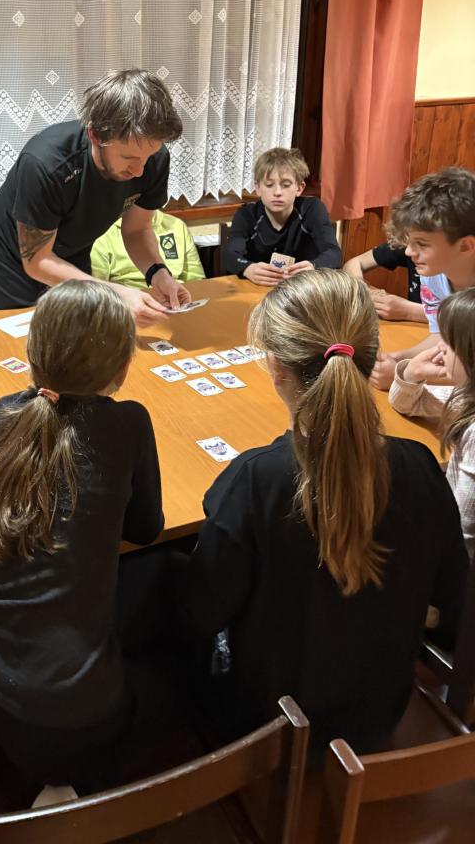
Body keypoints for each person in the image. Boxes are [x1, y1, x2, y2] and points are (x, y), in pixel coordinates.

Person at [177, 269, 467, 758]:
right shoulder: (419, 465)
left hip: (272, 728)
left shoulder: (257, 478)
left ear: (277, 370)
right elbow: (451, 592)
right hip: (379, 715)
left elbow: (200, 613)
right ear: (371, 355)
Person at [0, 281, 195, 792]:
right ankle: (76, 790)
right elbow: (145, 529)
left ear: (31, 355)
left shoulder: (5, 412)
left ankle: (45, 785)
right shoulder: (128, 421)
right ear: (123, 368)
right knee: (176, 667)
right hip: (83, 716)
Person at [0, 70, 191, 326]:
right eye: (129, 158)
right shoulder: (47, 163)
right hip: (15, 258)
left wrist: (158, 273)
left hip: (73, 251)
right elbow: (38, 261)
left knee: (80, 332)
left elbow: (136, 230)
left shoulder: (154, 160)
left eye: (149, 156)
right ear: (95, 135)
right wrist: (116, 294)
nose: (139, 170)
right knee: (17, 339)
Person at [389, 288, 475, 560]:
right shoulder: (465, 395)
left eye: (449, 342)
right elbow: (407, 403)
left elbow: (464, 531)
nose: (439, 348)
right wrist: (412, 373)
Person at [371, 167, 475, 389]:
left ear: (466, 246)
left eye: (422, 244)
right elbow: (443, 339)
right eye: (409, 241)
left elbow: (468, 372)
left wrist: (406, 374)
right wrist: (399, 358)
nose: (409, 252)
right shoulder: (434, 272)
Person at [222, 147, 341, 286]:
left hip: (302, 289)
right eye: (269, 185)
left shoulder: (311, 209)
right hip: (257, 289)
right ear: (258, 188)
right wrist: (248, 268)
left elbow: (334, 253)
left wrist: (313, 266)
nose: (277, 192)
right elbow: (229, 254)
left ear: (299, 188)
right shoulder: (247, 214)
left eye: (285, 185)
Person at [90, 209, 205, 288]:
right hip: (127, 305)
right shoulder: (104, 232)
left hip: (175, 301)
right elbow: (96, 289)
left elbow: (197, 280)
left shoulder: (177, 225)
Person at [343, 241, 425, 323]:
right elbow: (354, 263)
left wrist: (408, 311)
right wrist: (362, 289)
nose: (408, 252)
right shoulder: (406, 245)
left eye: (422, 244)